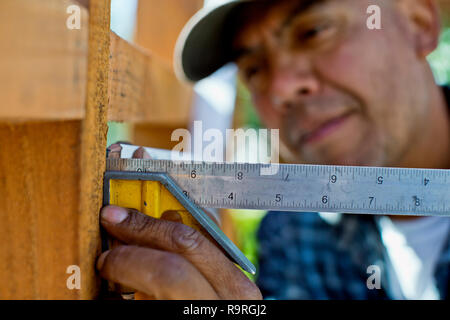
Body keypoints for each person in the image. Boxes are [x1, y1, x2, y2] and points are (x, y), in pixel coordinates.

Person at [98, 0, 450, 299]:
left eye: (313, 32)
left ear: (418, 21)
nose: (280, 88)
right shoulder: (292, 232)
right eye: (253, 69)